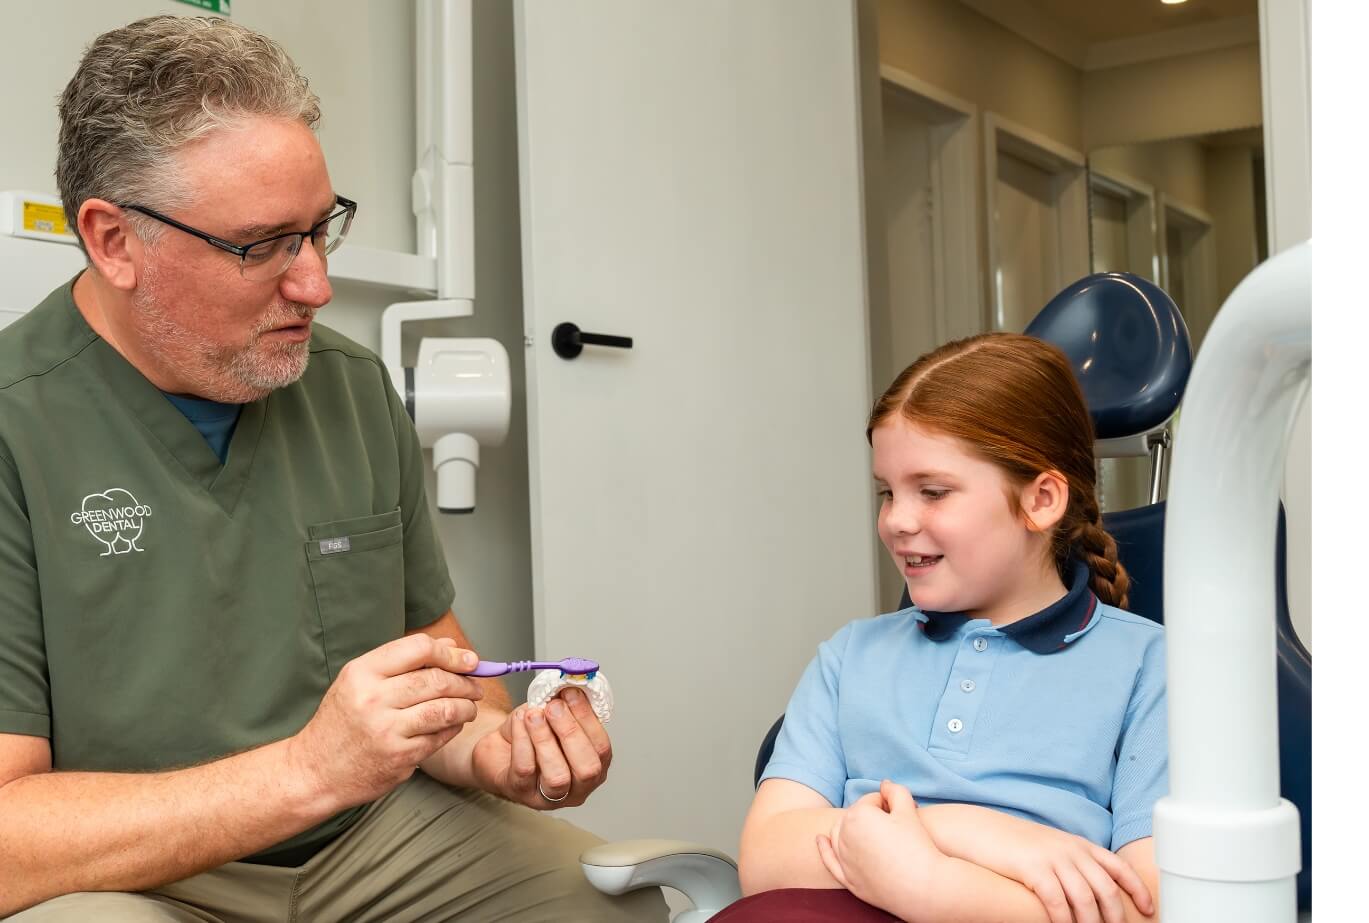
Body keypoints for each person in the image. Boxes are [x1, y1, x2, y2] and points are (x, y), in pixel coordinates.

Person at [0, 15, 666, 922]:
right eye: (261, 244)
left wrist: (496, 749)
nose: (314, 284)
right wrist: (306, 772)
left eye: (321, 230)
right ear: (115, 241)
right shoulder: (15, 428)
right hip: (132, 871)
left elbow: (446, 682)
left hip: (369, 838)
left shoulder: (349, 388)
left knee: (611, 904)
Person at [723, 333, 1167, 923]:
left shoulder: (1146, 667)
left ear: (1041, 499)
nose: (896, 521)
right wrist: (966, 829)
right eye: (887, 493)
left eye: (932, 492)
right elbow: (766, 858)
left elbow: (1146, 907)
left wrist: (931, 887)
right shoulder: (850, 656)